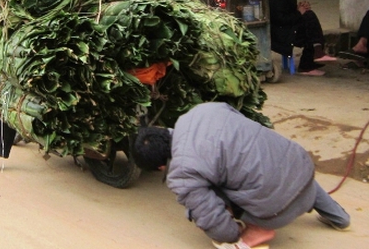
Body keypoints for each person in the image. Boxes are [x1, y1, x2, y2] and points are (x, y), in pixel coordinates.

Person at [132, 102, 350, 249]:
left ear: (160, 167)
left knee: (205, 198)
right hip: (302, 168)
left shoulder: (182, 172)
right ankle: (339, 217)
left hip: (277, 208)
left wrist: (232, 235)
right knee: (265, 161)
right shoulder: (201, 111)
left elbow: (211, 217)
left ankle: (258, 230)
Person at [268, 0, 336, 76]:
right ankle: (309, 61)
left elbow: (287, 9)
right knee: (309, 25)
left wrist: (299, 8)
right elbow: (280, 19)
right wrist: (299, 13)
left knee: (309, 17)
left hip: (287, 26)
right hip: (279, 33)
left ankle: (316, 53)